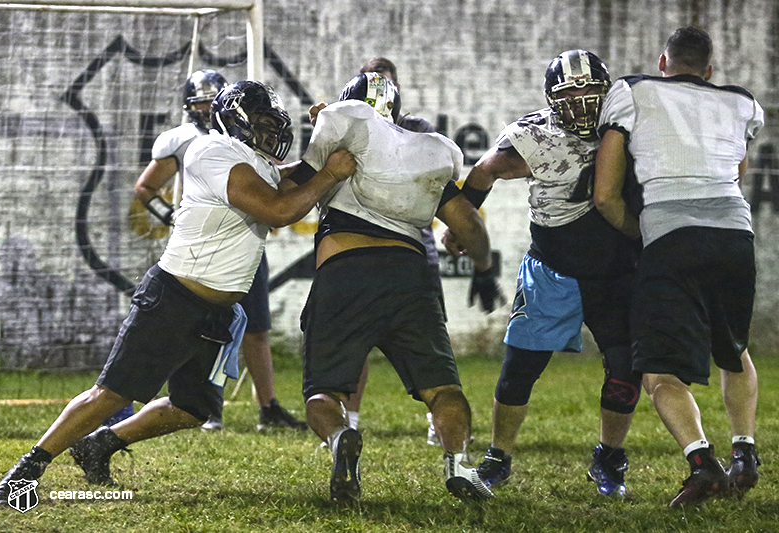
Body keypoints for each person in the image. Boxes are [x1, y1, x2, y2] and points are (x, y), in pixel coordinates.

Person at [0, 80, 355, 504]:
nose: (268, 133)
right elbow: (279, 209)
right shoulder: (213, 151)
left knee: (191, 408)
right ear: (232, 121)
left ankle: (99, 444)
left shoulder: (253, 159)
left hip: (217, 312)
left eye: (272, 124)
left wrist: (325, 142)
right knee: (110, 393)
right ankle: (24, 472)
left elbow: (289, 178)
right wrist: (329, 173)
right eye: (258, 123)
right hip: (174, 300)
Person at [290, 72, 504, 503]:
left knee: (322, 392)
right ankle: (459, 465)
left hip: (344, 270)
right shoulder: (423, 153)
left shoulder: (341, 136)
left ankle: (339, 439)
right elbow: (469, 224)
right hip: (410, 274)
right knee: (443, 388)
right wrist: (482, 266)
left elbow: (287, 191)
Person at [448, 50, 642, 498]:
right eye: (568, 94)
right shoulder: (534, 135)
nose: (579, 103)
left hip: (615, 271)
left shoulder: (629, 123)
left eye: (588, 92)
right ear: (551, 99)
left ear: (606, 92)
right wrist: (461, 224)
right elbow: (484, 170)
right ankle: (499, 455)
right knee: (520, 369)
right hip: (553, 268)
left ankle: (610, 456)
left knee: (626, 369)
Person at [594, 27, 763, 507]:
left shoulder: (632, 91)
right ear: (709, 72)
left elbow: (605, 196)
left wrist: (643, 230)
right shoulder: (740, 102)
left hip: (671, 236)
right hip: (735, 234)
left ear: (663, 63)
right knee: (734, 348)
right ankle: (745, 452)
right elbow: (737, 174)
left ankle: (701, 462)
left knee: (660, 372)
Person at [134, 69, 306, 432]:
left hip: (243, 240)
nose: (204, 108)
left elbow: (273, 181)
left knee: (257, 326)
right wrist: (172, 217)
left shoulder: (250, 142)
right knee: (194, 329)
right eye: (198, 102)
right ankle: (201, 406)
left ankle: (268, 406)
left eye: (210, 100)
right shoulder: (189, 142)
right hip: (202, 250)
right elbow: (146, 188)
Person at [333, 57, 450, 443]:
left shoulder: (417, 130)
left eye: (388, 83)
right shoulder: (344, 131)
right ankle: (347, 418)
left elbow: (440, 183)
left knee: (431, 338)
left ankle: (440, 418)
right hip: (360, 245)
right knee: (354, 342)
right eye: (374, 82)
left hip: (413, 245)